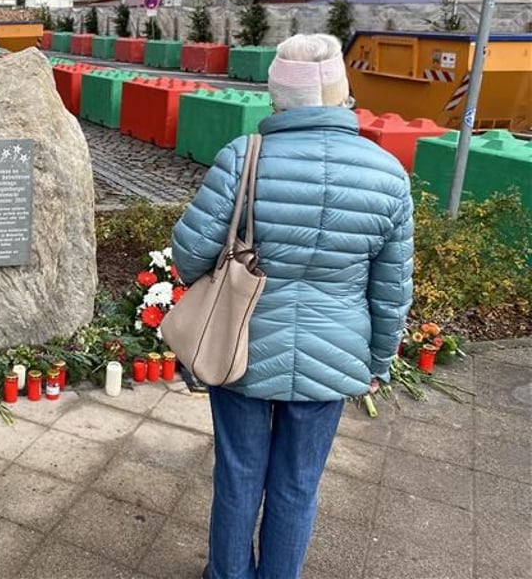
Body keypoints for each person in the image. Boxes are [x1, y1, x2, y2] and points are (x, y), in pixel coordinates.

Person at [170, 33, 414, 579]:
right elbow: (392, 289)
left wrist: (227, 281)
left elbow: (188, 251)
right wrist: (377, 362)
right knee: (299, 483)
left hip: (243, 350)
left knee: (238, 475)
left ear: (278, 92)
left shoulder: (244, 158)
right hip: (335, 357)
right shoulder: (386, 174)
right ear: (341, 93)